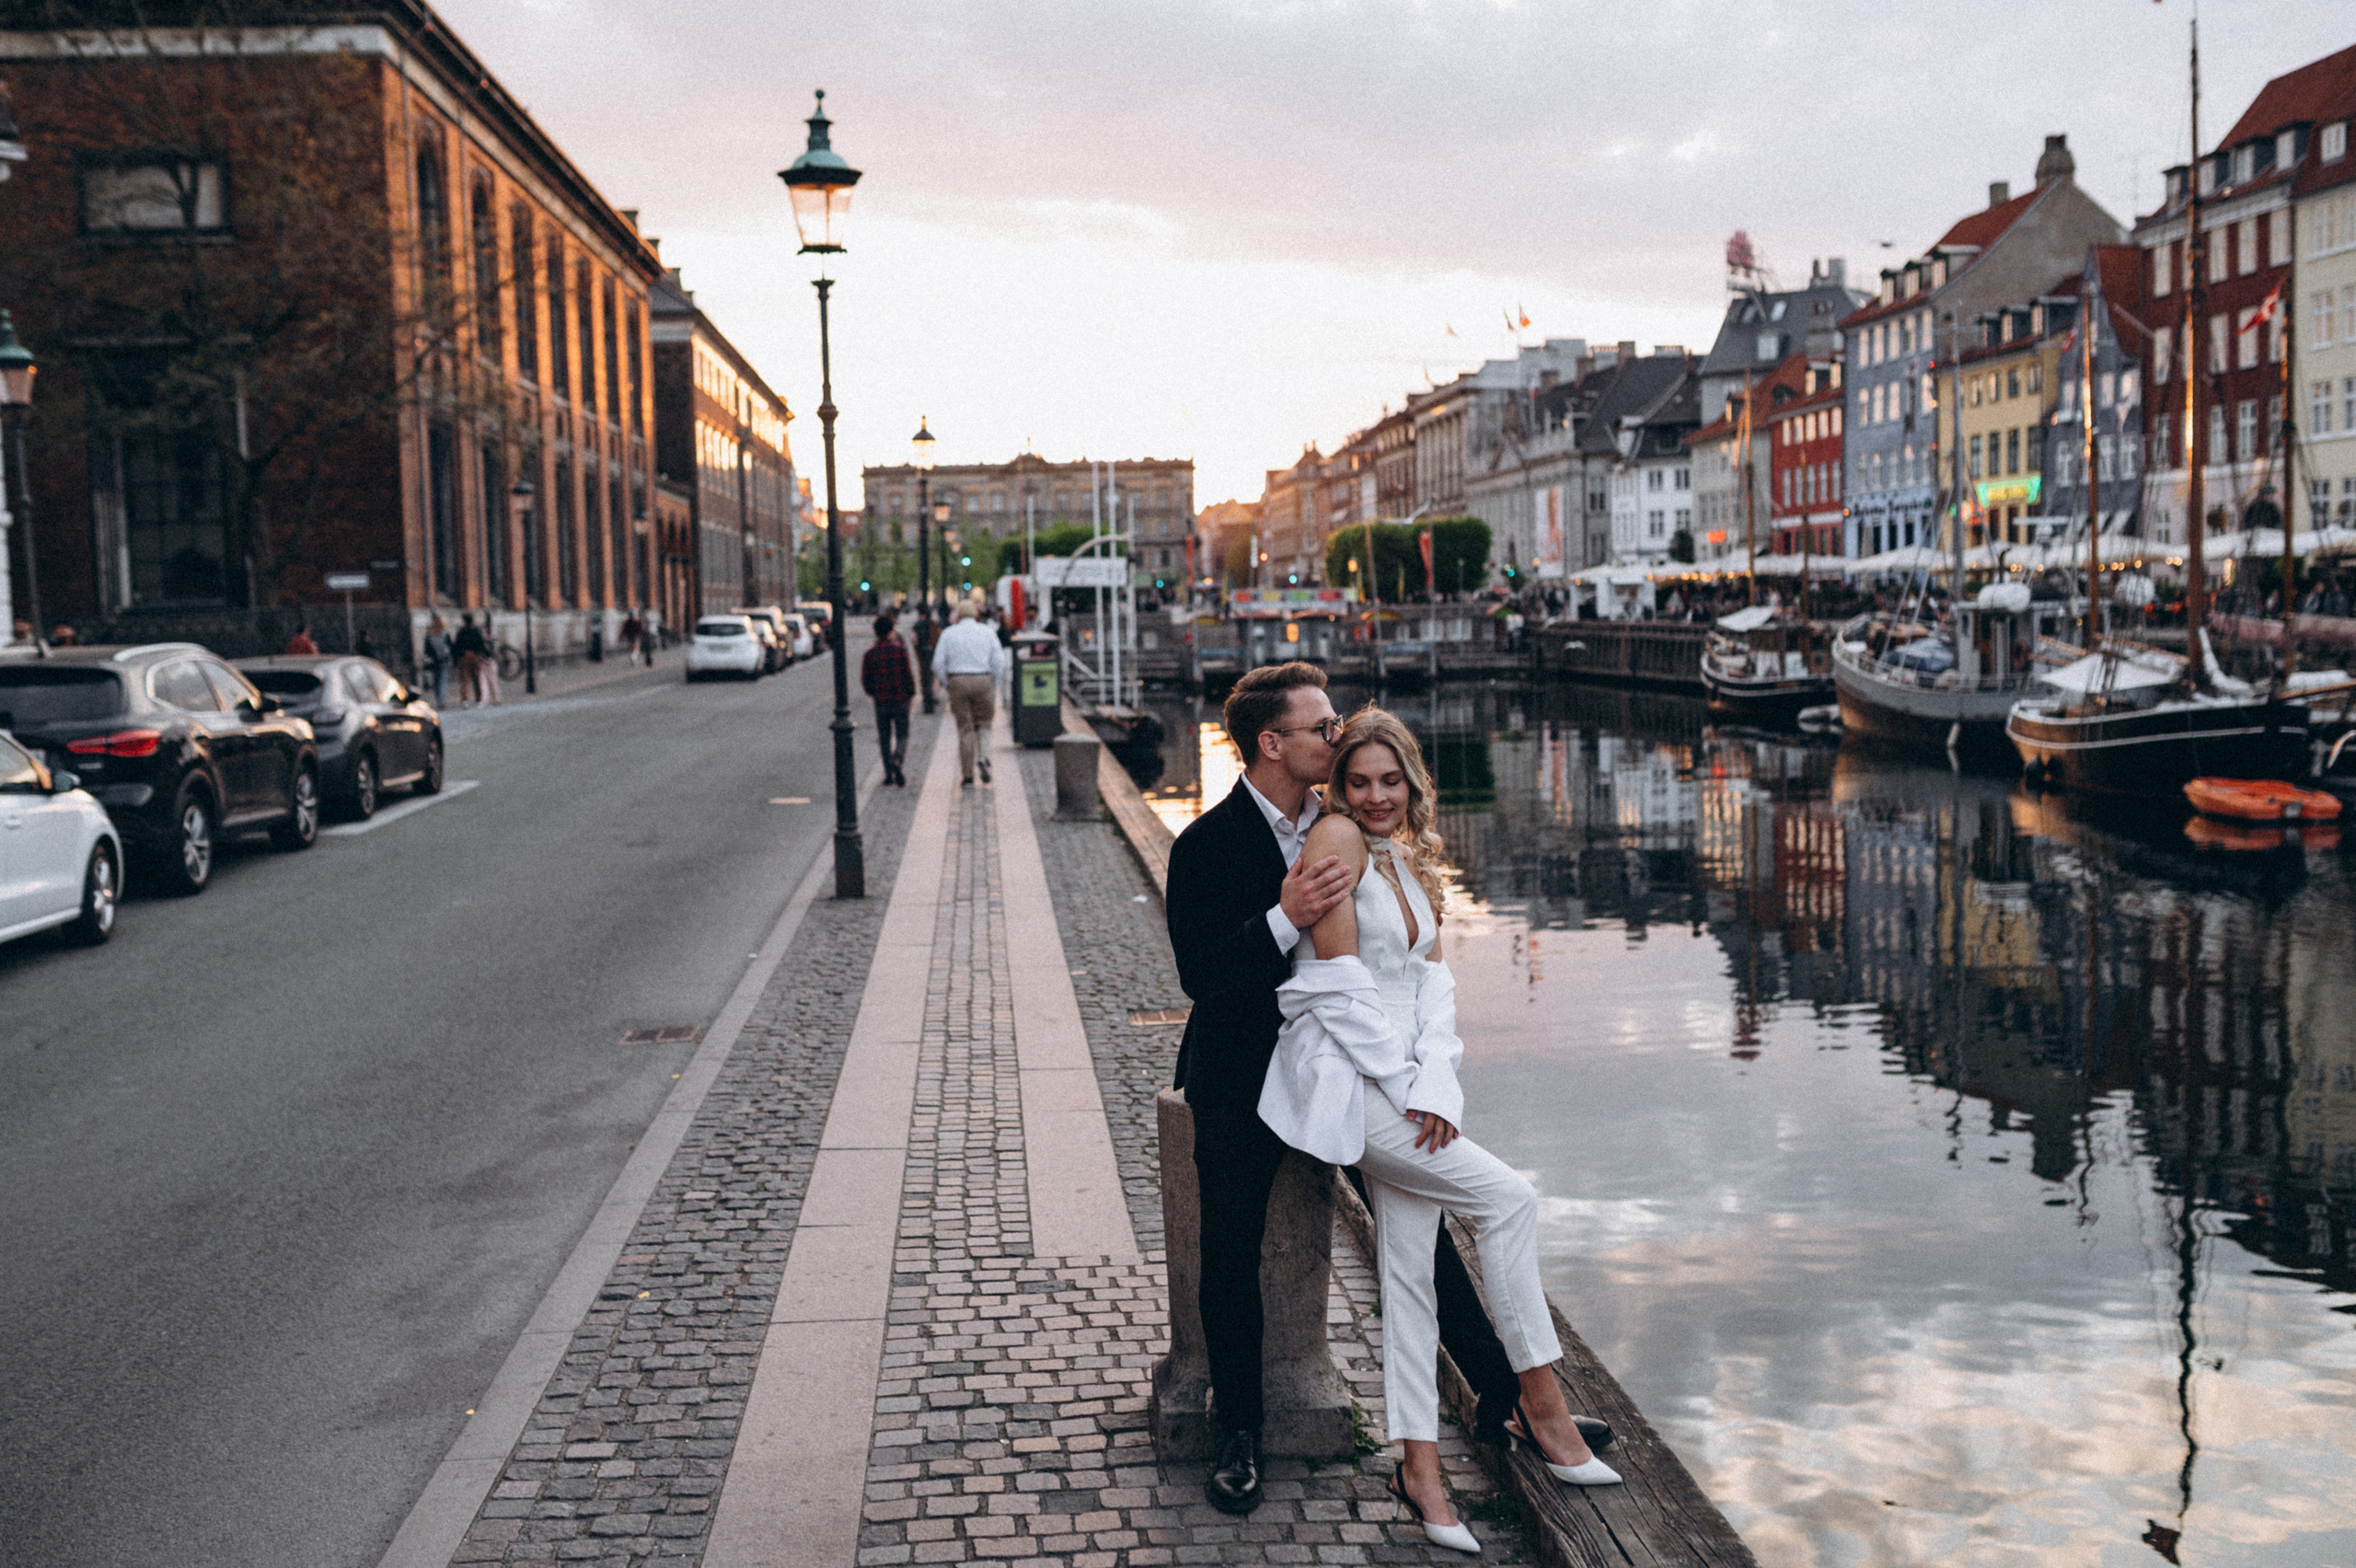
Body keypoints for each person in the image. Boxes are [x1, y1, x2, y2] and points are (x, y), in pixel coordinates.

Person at [1161, 664, 1610, 1522]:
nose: (1337, 737)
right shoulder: (1206, 844)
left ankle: (1502, 1398)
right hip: (1242, 1071)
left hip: (1349, 1071)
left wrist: (1412, 1069)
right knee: (1230, 1249)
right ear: (1272, 743)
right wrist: (1285, 916)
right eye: (1323, 728)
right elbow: (1199, 976)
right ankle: (1241, 1432)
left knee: (1427, 1236)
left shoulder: (1350, 826)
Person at [932, 601, 1005, 786]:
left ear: (958, 615)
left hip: (958, 680)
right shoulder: (987, 632)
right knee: (985, 724)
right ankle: (983, 756)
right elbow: (999, 660)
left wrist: (947, 682)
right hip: (983, 679)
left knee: (965, 728)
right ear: (975, 615)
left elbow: (938, 662)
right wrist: (994, 680)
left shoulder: (949, 633)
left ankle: (967, 775)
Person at [860, 612, 917, 786]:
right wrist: (911, 693)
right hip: (901, 699)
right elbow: (908, 675)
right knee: (902, 734)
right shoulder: (900, 650)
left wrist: (874, 693)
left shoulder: (870, 653)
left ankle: (887, 774)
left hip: (881, 701)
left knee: (884, 738)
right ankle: (898, 759)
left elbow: (866, 679)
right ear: (891, 631)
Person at [452, 613, 491, 707]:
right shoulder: (476, 630)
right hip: (475, 656)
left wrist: (456, 659)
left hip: (464, 657)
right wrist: (486, 655)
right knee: (476, 679)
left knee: (464, 680)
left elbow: (457, 646)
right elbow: (481, 644)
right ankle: (478, 700)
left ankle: (465, 700)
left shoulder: (461, 631)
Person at [422, 616, 454, 707]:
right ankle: (441, 701)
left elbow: (427, 650)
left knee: (436, 681)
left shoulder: (429, 636)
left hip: (434, 661)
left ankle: (439, 700)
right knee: (442, 681)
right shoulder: (445, 634)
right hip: (444, 660)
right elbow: (450, 647)